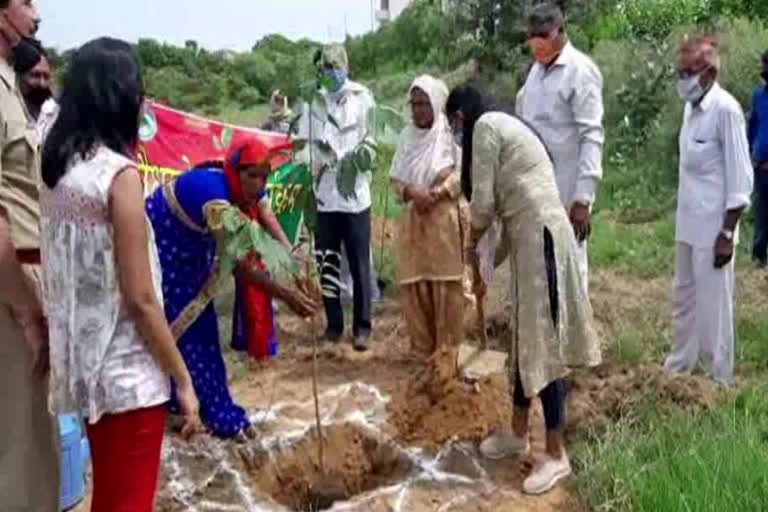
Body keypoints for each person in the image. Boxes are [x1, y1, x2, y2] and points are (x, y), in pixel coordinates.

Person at [40, 37, 201, 512]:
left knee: (108, 496)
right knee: (126, 501)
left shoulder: (58, 166)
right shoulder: (118, 177)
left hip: (86, 371)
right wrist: (182, 379)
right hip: (128, 376)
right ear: (120, 98)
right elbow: (140, 297)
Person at [447, 84, 601, 495]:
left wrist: (469, 243)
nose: (457, 135)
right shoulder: (507, 129)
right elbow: (507, 219)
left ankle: (555, 454)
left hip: (545, 244)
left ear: (459, 118)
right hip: (531, 243)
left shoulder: (484, 128)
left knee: (544, 347)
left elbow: (481, 205)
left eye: (453, 127)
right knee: (524, 343)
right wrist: (483, 264)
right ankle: (518, 434)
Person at [145, 139, 318, 439]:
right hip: (167, 236)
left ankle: (183, 400)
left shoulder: (245, 186)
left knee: (193, 322)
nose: (259, 183)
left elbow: (267, 216)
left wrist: (293, 264)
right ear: (235, 171)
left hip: (193, 239)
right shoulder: (217, 199)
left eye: (264, 176)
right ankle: (214, 411)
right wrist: (286, 294)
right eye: (252, 175)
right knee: (192, 324)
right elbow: (238, 264)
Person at [664, 35, 753, 385]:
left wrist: (727, 234)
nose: (682, 79)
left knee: (715, 305)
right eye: (679, 71)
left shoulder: (726, 111)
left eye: (688, 72)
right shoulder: (691, 109)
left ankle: (719, 378)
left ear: (709, 73)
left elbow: (740, 179)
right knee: (683, 297)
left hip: (715, 228)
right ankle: (679, 366)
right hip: (688, 223)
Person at [0, 2, 60, 511]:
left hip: (17, 275)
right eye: (26, 4)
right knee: (24, 442)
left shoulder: (8, 87)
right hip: (9, 284)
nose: (36, 15)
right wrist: (26, 308)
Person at [517, 3, 604, 293]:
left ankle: (573, 336)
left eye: (544, 36)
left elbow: (592, 135)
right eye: (533, 38)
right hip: (534, 188)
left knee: (569, 268)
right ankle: (548, 334)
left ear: (560, 31)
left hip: (566, 191)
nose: (538, 43)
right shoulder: (535, 73)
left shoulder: (580, 71)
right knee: (540, 269)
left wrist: (583, 199)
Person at [299, 43, 377, 351]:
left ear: (345, 67)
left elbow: (370, 139)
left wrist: (355, 160)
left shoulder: (362, 98)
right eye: (326, 68)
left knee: (359, 263)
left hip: (355, 194)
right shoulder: (312, 103)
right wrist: (313, 161)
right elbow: (303, 142)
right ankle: (333, 324)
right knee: (327, 261)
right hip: (323, 196)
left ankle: (362, 327)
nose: (331, 73)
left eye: (336, 67)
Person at [390, 75, 464, 354]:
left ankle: (448, 358)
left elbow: (463, 172)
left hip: (444, 222)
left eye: (425, 104)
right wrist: (411, 192)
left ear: (437, 104)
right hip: (414, 224)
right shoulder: (407, 138)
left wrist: (438, 192)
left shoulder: (450, 136)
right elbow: (395, 179)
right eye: (415, 104)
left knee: (447, 288)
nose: (419, 110)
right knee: (416, 289)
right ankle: (424, 357)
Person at [12, 35, 57, 142]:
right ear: (18, 76)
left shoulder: (57, 115)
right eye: (35, 75)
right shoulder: (8, 111)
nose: (42, 83)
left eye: (46, 76)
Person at [748, 50, 768, 269]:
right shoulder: (758, 95)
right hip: (760, 165)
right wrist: (750, 153)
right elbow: (752, 125)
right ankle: (759, 256)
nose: (763, 70)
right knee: (762, 212)